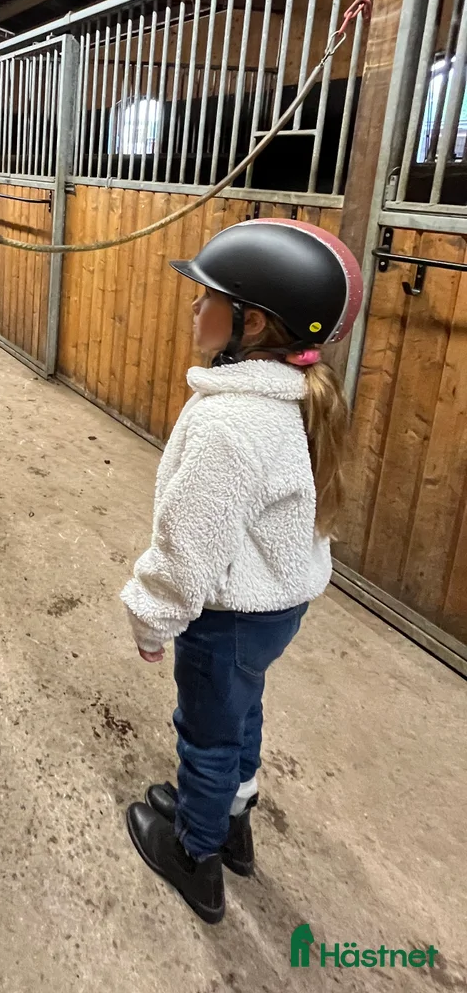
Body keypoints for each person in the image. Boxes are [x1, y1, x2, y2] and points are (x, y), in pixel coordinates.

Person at [120, 219, 362, 923]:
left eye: (208, 299)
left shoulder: (228, 425)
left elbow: (189, 546)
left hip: (227, 618)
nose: (195, 309)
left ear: (251, 324)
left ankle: (195, 854)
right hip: (275, 610)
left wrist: (152, 614)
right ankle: (233, 822)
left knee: (206, 733)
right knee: (242, 712)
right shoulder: (290, 400)